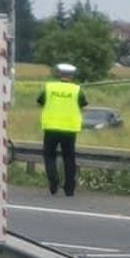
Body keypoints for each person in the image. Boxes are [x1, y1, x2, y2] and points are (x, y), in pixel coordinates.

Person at [37, 63, 88, 197]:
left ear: (59, 74)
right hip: (69, 129)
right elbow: (83, 104)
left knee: (49, 155)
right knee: (69, 158)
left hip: (51, 127)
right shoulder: (77, 90)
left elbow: (40, 102)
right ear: (72, 76)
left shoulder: (49, 88)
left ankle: (53, 181)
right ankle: (69, 188)